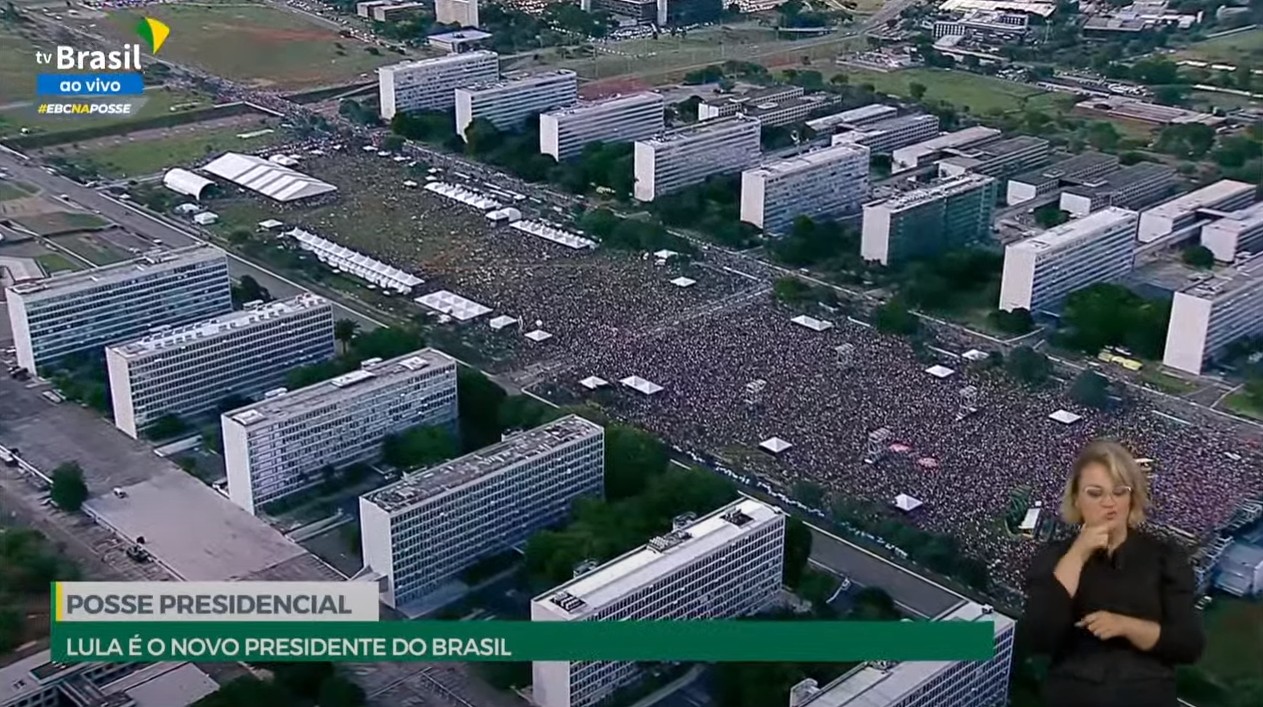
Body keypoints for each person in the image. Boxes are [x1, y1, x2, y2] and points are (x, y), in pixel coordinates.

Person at [1022, 440, 1205, 707]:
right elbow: (1039, 636)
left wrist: (1127, 626)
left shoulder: (1165, 557)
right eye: (1095, 493)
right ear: (1076, 499)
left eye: (1119, 492)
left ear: (1132, 498)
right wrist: (1078, 553)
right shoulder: (1053, 557)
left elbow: (1189, 645)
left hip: (1147, 695)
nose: (1109, 503)